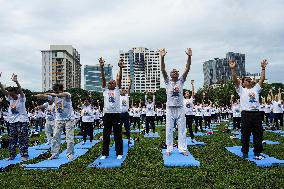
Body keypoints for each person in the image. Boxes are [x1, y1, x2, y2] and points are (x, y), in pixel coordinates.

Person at [229, 59, 268, 160]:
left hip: (256, 114)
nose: (249, 80)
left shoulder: (256, 89)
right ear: (243, 83)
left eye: (250, 79)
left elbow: (262, 79)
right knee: (245, 134)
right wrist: (233, 69)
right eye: (247, 80)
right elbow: (234, 79)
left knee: (258, 134)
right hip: (246, 114)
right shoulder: (241, 90)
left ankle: (257, 152)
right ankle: (245, 151)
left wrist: (263, 68)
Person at [160, 48, 192, 156]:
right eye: (172, 71)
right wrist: (162, 57)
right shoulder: (167, 81)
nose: (174, 72)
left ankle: (182, 149)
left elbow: (187, 69)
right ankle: (169, 149)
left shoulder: (181, 81)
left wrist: (189, 56)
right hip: (170, 108)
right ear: (170, 74)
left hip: (180, 108)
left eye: (176, 71)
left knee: (182, 129)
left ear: (177, 74)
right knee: (169, 129)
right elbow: (163, 69)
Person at [0, 73, 29, 161]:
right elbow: (3, 90)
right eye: (10, 95)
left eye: (13, 94)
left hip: (22, 120)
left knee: (22, 137)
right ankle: (12, 155)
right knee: (12, 138)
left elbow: (20, 90)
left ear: (16, 93)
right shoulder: (10, 98)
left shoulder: (21, 98)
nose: (11, 96)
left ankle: (24, 155)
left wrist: (16, 82)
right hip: (12, 121)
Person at [100, 57, 124, 160]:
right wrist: (101, 67)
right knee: (106, 135)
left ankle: (119, 153)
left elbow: (120, 79)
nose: (111, 83)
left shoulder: (117, 90)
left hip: (116, 115)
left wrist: (121, 68)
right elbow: (103, 79)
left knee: (118, 135)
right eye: (110, 83)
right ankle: (105, 154)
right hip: (107, 115)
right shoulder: (105, 90)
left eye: (113, 82)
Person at [44, 83, 75, 160]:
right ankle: (54, 153)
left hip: (69, 119)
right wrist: (34, 96)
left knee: (69, 137)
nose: (56, 93)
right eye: (55, 91)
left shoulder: (67, 96)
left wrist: (54, 94)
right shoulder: (54, 97)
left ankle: (70, 154)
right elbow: (43, 96)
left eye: (57, 91)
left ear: (62, 90)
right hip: (59, 119)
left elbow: (66, 94)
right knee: (55, 136)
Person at [119, 78, 132, 145]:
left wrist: (130, 82)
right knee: (119, 128)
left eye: (124, 90)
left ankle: (129, 139)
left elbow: (129, 88)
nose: (124, 91)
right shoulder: (119, 96)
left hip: (126, 114)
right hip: (120, 114)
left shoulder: (127, 96)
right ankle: (119, 139)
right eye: (122, 90)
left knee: (127, 128)